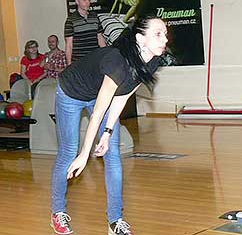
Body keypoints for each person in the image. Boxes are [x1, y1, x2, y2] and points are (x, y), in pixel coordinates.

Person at [51, 17, 168, 235]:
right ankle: (58, 212)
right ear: (141, 39)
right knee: (69, 153)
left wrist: (107, 133)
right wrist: (85, 154)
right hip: (71, 92)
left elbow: (122, 97)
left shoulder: (152, 60)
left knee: (112, 153)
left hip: (102, 91)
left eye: (165, 33)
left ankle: (116, 221)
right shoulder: (117, 63)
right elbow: (97, 114)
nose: (165, 39)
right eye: (158, 34)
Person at [64, 0, 106, 65]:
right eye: (84, 0)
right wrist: (69, 64)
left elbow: (100, 38)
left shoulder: (94, 17)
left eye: (89, 0)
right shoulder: (71, 20)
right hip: (79, 61)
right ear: (77, 2)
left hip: (95, 59)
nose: (87, 2)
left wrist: (106, 55)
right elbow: (69, 45)